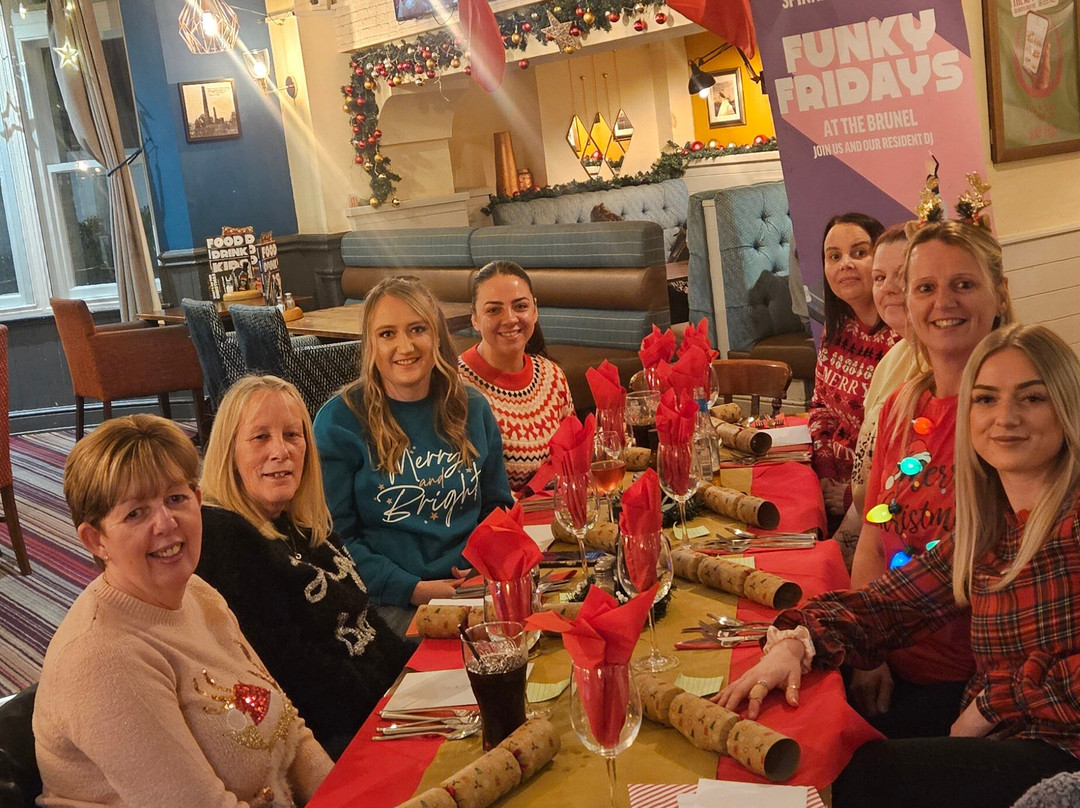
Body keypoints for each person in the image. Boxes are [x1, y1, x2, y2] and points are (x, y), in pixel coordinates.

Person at [719, 323, 1080, 808]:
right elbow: (890, 605)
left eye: (1032, 398)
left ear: (1068, 406)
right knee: (825, 749)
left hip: (1063, 757)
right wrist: (797, 641)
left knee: (867, 780)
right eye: (986, 399)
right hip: (1002, 730)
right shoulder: (991, 528)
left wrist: (995, 702)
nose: (1005, 417)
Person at [34, 415, 332, 806]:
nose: (166, 523)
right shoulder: (101, 659)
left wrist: (348, 794)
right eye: (136, 513)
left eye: (176, 499)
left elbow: (291, 731)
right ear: (95, 540)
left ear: (198, 500)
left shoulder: (198, 594)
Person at [846, 221, 1014, 736]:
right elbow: (873, 541)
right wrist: (869, 654)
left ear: (999, 294)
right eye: (925, 288)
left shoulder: (1015, 418)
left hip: (977, 692)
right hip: (893, 668)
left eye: (963, 284)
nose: (944, 302)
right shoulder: (902, 407)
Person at [197, 375, 412, 759]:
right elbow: (295, 674)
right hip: (331, 739)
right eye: (260, 437)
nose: (280, 451)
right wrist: (394, 700)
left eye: (292, 435)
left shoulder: (302, 525)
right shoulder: (223, 536)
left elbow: (367, 624)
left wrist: (418, 674)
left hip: (378, 704)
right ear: (229, 452)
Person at [314, 276, 514, 636]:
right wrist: (412, 589)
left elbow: (497, 505)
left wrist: (481, 559)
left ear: (436, 336)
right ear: (370, 345)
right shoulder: (339, 422)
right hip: (387, 599)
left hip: (474, 585)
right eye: (387, 334)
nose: (404, 346)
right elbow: (335, 541)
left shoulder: (473, 407)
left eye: (417, 329)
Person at [832, 223, 919, 566]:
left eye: (904, 275)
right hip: (870, 530)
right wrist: (837, 552)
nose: (889, 288)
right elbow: (868, 484)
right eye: (880, 278)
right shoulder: (893, 360)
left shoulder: (945, 370)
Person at [809, 213, 900, 532]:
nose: (845, 264)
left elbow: (905, 446)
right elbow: (821, 407)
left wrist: (852, 496)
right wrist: (823, 469)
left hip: (879, 504)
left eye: (859, 253)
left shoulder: (904, 339)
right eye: (834, 256)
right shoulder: (837, 328)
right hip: (829, 486)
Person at [458, 260, 574, 493]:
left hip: (555, 507)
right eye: (494, 310)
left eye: (520, 306)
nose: (510, 319)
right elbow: (461, 483)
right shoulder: (455, 386)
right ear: (474, 318)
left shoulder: (553, 376)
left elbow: (571, 456)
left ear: (535, 310)